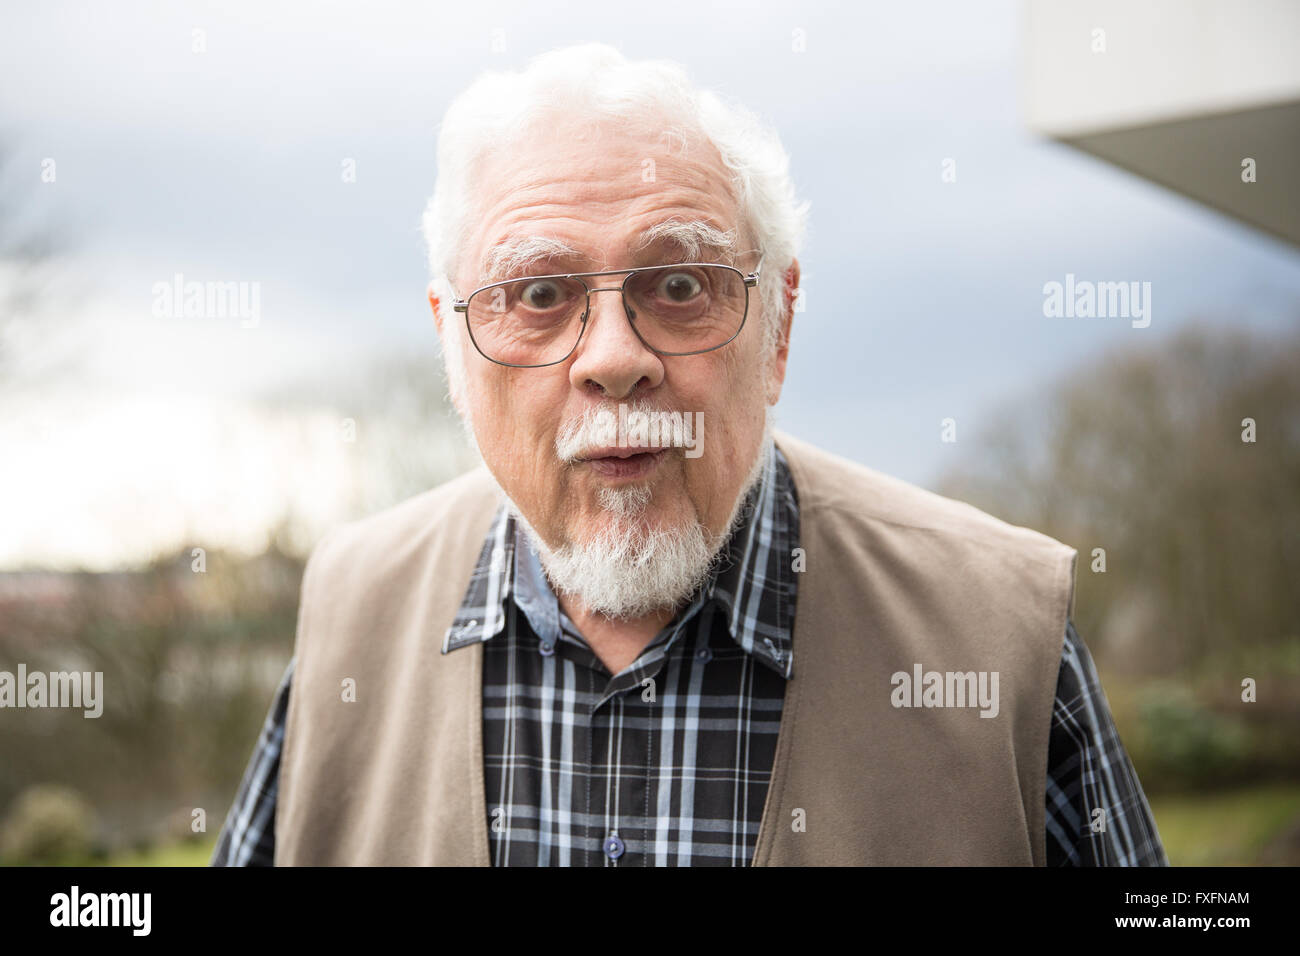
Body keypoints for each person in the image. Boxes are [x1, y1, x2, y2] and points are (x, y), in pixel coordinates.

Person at [213, 42, 1165, 866]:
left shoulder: (1002, 634)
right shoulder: (347, 616)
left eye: (679, 283)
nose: (615, 359)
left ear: (778, 329)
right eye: (538, 296)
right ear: (452, 349)